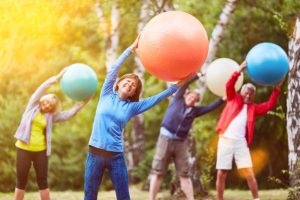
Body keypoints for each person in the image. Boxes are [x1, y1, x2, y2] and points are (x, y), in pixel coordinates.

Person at [83, 36, 194, 200]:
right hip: (95, 153)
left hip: (115, 156)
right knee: (90, 196)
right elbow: (114, 69)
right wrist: (131, 48)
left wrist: (178, 85)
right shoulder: (106, 94)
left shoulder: (132, 107)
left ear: (133, 93)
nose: (130, 85)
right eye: (127, 81)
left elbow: (156, 99)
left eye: (133, 86)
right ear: (119, 83)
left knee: (124, 197)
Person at [14, 68, 92, 200]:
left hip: (41, 151)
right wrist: (55, 78)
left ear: (52, 107)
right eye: (46, 101)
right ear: (42, 100)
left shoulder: (50, 117)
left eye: (51, 104)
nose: (47, 105)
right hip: (23, 149)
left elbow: (67, 115)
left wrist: (83, 104)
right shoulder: (32, 106)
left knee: (42, 181)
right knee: (21, 180)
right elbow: (40, 90)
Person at [149, 73, 224, 200]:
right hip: (165, 139)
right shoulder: (177, 99)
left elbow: (210, 107)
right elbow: (185, 83)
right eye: (192, 96)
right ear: (186, 95)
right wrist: (198, 75)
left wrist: (222, 100)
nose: (193, 99)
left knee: (184, 174)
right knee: (158, 172)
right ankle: (151, 199)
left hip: (180, 143)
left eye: (196, 99)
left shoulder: (195, 111)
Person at [215, 61, 284, 200]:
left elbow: (269, 105)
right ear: (242, 92)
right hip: (226, 140)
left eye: (251, 94)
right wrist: (239, 69)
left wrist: (277, 88)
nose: (248, 96)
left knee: (249, 173)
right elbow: (229, 85)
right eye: (247, 93)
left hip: (241, 143)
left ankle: (256, 198)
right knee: (222, 173)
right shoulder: (233, 98)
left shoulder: (253, 108)